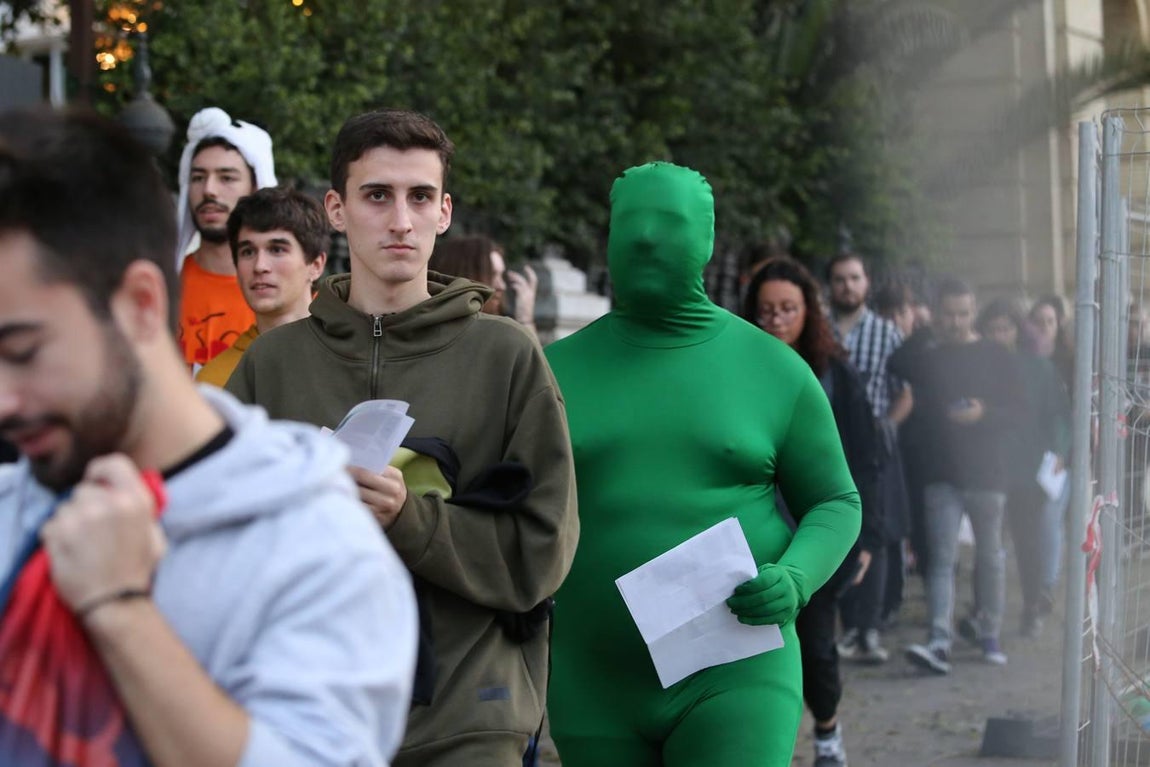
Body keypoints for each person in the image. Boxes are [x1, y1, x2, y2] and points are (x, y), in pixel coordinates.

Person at [0, 108, 418, 766]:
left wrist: (119, 610)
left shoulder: (320, 556)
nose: (3, 400)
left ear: (139, 305)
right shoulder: (12, 508)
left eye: (23, 350)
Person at [227, 108, 579, 767]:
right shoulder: (272, 365)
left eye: (420, 197)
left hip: (472, 719)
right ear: (337, 208)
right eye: (377, 195)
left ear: (444, 212)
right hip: (308, 720)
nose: (400, 220)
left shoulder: (506, 356)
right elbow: (211, 540)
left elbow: (544, 551)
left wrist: (409, 518)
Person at [544, 162, 860, 767]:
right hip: (592, 678)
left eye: (667, 223)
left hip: (737, 669)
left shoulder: (773, 369)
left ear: (705, 238)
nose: (645, 239)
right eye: (630, 223)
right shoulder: (550, 372)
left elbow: (836, 500)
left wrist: (797, 576)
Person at [743, 256, 882, 767]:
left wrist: (867, 537)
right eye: (765, 310)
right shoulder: (736, 369)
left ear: (808, 311)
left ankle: (827, 731)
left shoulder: (835, 374)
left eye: (787, 309)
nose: (775, 320)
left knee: (817, 646)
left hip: (813, 535)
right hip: (749, 534)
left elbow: (866, 461)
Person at [896, 278, 1024, 673]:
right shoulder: (929, 356)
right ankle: (939, 639)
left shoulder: (995, 355)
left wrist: (984, 413)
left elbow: (1018, 411)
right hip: (941, 472)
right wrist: (920, 329)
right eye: (949, 314)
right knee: (941, 560)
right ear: (937, 313)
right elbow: (896, 362)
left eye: (963, 314)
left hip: (987, 472)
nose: (956, 322)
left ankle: (989, 631)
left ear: (974, 312)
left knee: (991, 557)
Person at [825, 253, 910, 662]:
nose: (847, 286)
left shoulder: (887, 333)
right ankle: (846, 623)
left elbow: (905, 392)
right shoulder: (819, 332)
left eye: (854, 278)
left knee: (874, 534)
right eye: (839, 279)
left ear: (866, 282)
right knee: (838, 531)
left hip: (871, 449)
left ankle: (869, 627)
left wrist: (886, 427)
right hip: (826, 447)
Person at [976, 298, 1070, 638]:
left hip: (1026, 468)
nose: (1000, 335)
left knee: (1027, 541)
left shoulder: (1038, 368)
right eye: (993, 329)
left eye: (1006, 328)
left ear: (1017, 331)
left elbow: (1058, 413)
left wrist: (1060, 450)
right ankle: (982, 609)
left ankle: (1032, 604)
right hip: (985, 467)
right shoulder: (974, 366)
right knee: (987, 543)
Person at [175, 107, 277, 369]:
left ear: (256, 188)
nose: (209, 190)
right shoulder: (159, 286)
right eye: (198, 178)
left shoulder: (290, 296)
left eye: (226, 177)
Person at [195, 187, 328, 387]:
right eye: (248, 252)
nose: (259, 266)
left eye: (276, 250)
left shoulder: (354, 359)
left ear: (316, 265)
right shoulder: (212, 382)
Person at [430, 235, 538, 333]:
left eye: (501, 275)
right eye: (491, 275)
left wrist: (525, 318)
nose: (502, 286)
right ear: (463, 275)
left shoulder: (498, 328)